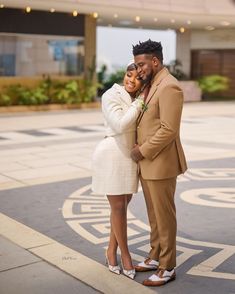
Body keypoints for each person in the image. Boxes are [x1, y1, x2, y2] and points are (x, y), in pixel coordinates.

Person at [130, 39, 187, 286]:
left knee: (164, 217)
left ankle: (168, 266)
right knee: (153, 215)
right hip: (149, 164)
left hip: (160, 162)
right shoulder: (152, 84)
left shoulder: (169, 87)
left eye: (142, 64)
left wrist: (141, 151)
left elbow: (168, 129)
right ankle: (155, 256)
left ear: (155, 61)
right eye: (137, 64)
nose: (138, 69)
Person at [92, 62, 145, 280]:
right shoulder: (110, 95)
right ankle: (125, 255)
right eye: (128, 75)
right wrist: (140, 102)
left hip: (130, 158)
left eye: (137, 78)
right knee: (118, 208)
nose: (131, 80)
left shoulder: (139, 97)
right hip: (111, 154)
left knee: (121, 208)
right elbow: (120, 124)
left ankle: (110, 250)